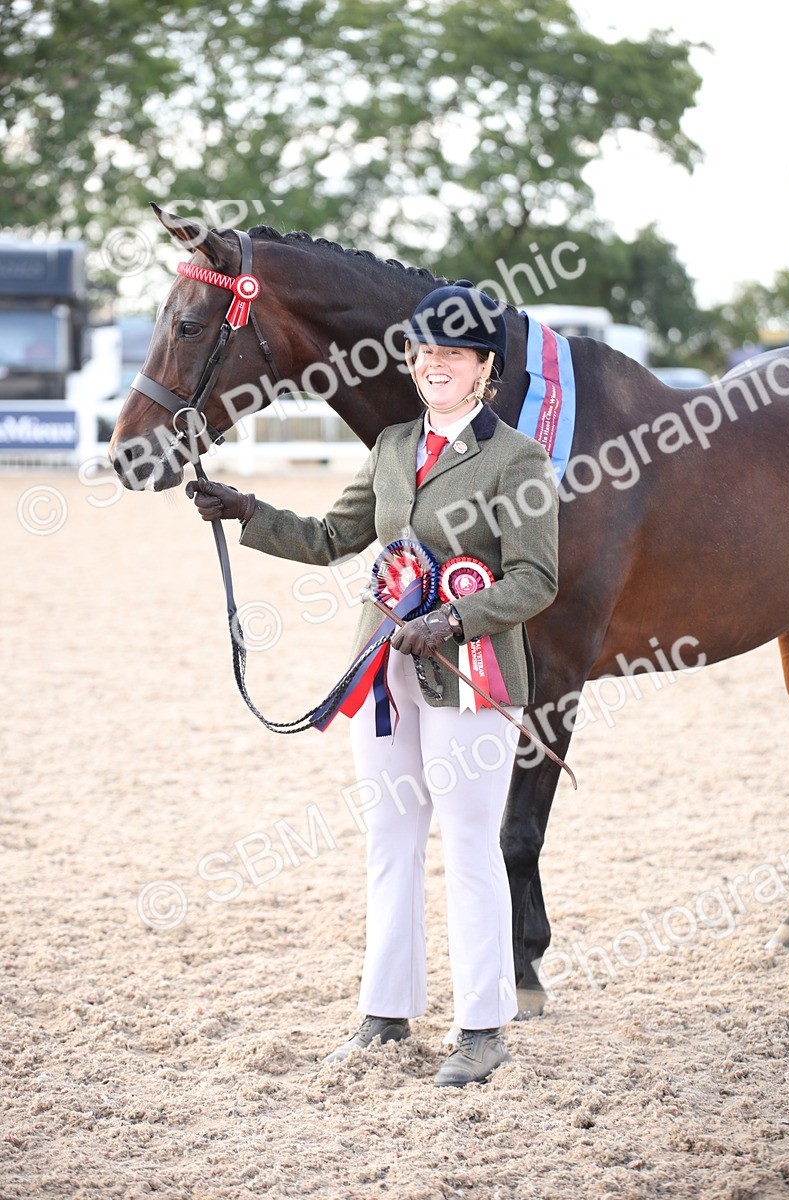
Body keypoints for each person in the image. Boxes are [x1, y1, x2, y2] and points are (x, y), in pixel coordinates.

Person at [188, 283, 559, 1087]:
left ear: (485, 369)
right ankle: (385, 1014)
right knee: (390, 841)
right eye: (425, 352)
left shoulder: (517, 459)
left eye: (453, 355)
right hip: (385, 668)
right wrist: (245, 509)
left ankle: (482, 1028)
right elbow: (332, 538)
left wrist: (456, 619)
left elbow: (536, 580)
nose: (435, 365)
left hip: (472, 676)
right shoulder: (392, 446)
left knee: (468, 846)